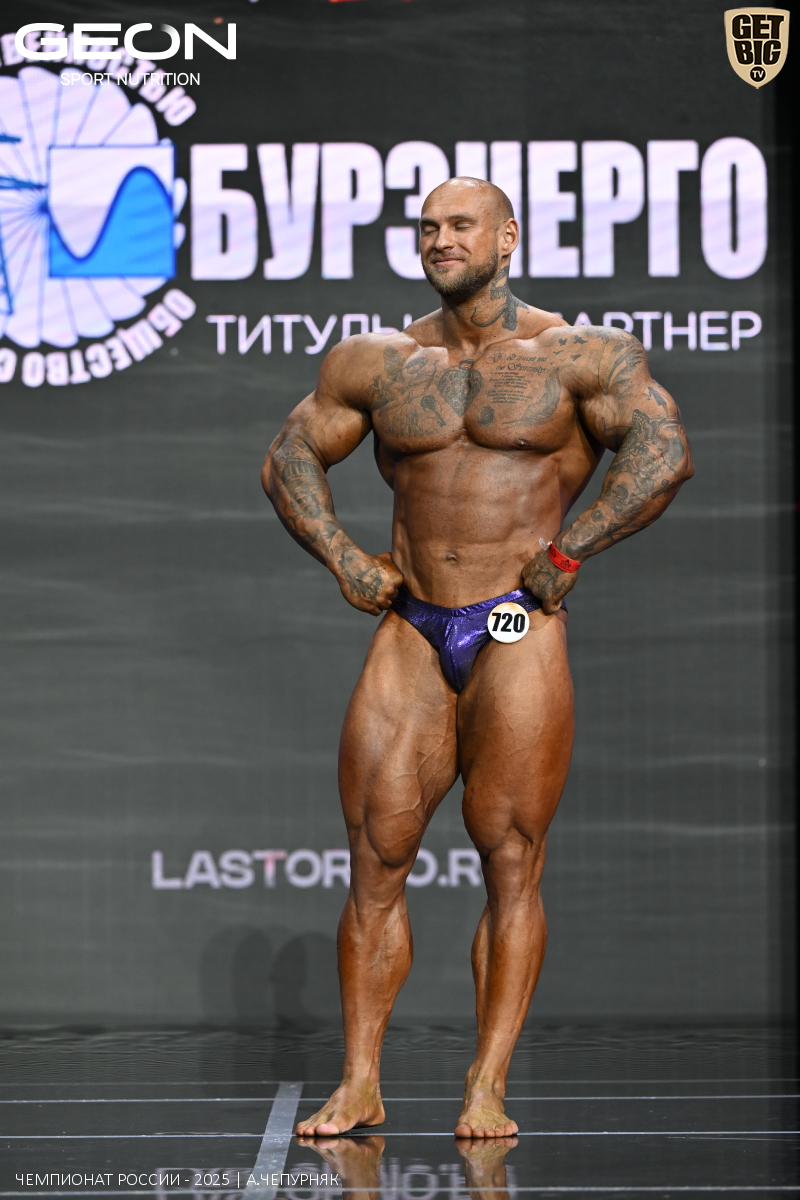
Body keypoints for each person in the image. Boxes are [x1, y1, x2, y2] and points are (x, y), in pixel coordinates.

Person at [262, 177, 693, 1138]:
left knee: (510, 859)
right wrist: (342, 556)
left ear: (508, 237)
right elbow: (288, 458)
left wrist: (572, 551)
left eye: (461, 225)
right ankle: (361, 1082)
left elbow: (663, 452)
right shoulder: (380, 360)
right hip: (413, 624)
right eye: (427, 227)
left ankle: (485, 1085)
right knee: (376, 859)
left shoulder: (579, 354)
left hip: (515, 625)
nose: (440, 239)